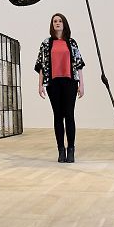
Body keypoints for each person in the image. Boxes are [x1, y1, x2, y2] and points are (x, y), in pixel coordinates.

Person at [35, 13, 85, 163]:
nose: (57, 23)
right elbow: (41, 66)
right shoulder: (46, 43)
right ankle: (61, 150)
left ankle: (71, 149)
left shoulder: (71, 42)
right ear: (52, 24)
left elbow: (79, 64)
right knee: (58, 116)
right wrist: (40, 85)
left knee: (69, 115)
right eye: (55, 21)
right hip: (53, 83)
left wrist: (81, 84)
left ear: (64, 24)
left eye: (60, 21)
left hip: (70, 82)